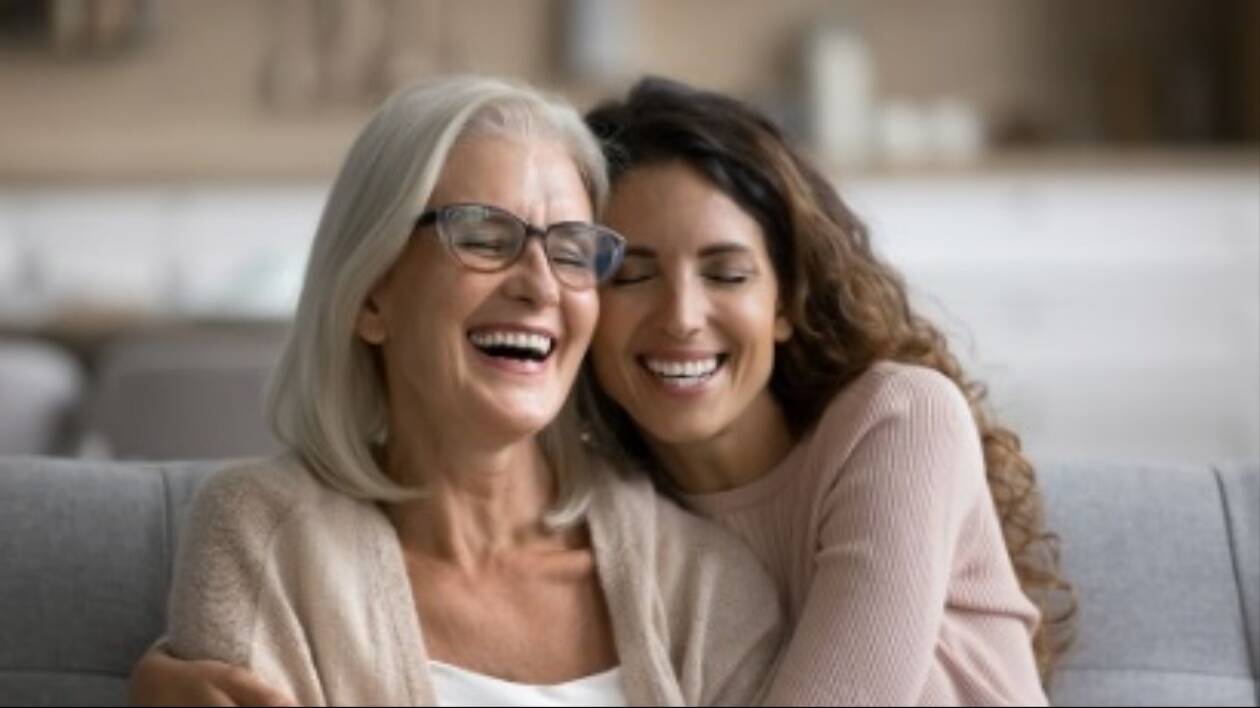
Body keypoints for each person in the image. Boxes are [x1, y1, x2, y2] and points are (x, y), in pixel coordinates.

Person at [130, 75, 783, 706]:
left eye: (571, 249)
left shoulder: (702, 584)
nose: (540, 284)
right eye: (481, 236)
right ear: (371, 294)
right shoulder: (266, 537)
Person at [578, 76, 1076, 705]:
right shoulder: (605, 508)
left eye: (727, 274)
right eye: (633, 276)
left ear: (784, 300)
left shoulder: (899, 418)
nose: (681, 316)